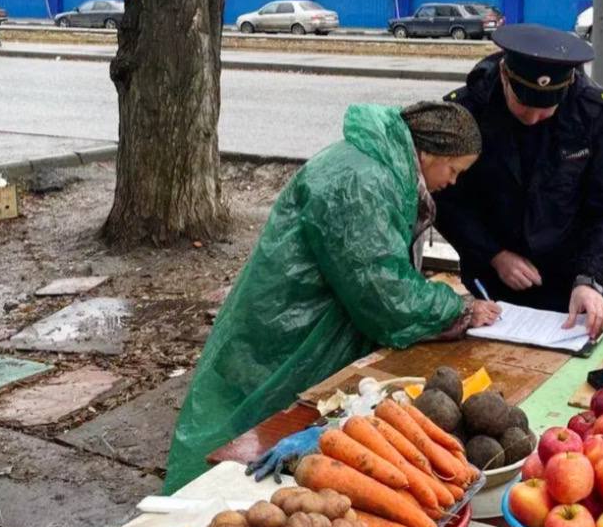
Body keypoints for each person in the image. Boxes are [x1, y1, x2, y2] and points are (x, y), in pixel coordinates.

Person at [164, 101, 500, 492]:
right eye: (454, 170)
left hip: (293, 314)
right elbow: (384, 295)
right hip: (291, 325)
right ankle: (201, 501)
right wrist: (457, 307)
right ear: (428, 153)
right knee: (255, 428)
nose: (453, 182)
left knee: (272, 430)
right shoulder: (363, 182)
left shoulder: (376, 167)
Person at [435, 23, 603, 339]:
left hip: (577, 285)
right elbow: (446, 198)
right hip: (497, 286)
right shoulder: (467, 111)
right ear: (505, 75)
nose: (532, 119)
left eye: (545, 110)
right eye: (524, 105)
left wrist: (592, 279)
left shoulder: (594, 113)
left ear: (568, 83)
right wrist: (493, 253)